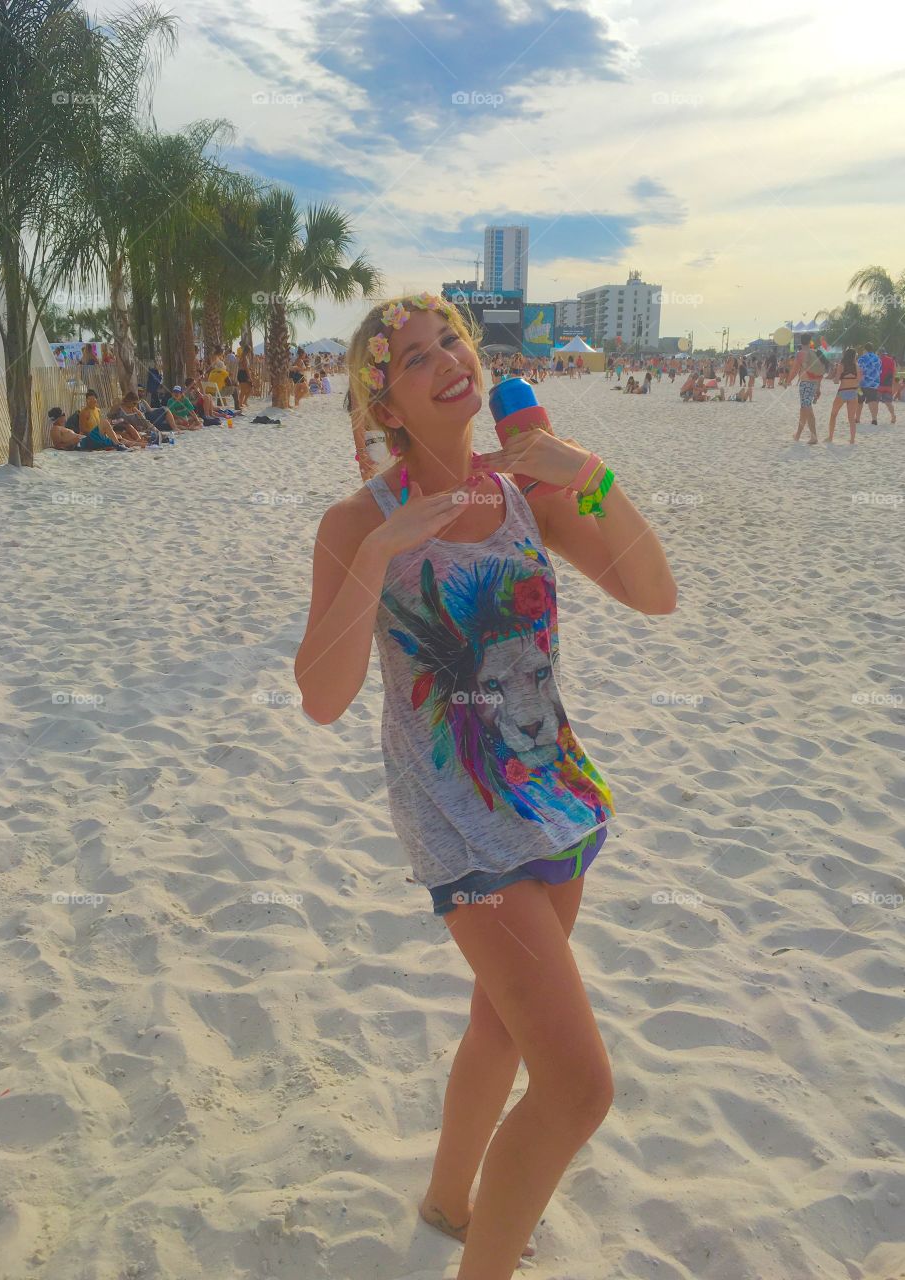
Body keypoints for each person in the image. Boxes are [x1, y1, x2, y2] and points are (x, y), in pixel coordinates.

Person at [295, 292, 676, 1279]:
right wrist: (380, 553)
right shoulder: (355, 522)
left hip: (553, 788)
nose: (447, 360)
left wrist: (588, 476)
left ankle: (448, 1199)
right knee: (579, 1088)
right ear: (387, 404)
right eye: (415, 357)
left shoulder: (526, 496)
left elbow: (653, 588)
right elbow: (324, 697)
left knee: (498, 1025)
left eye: (451, 340)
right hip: (464, 823)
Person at [787, 339, 825, 443]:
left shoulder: (801, 354)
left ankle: (814, 436)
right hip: (813, 384)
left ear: (801, 342)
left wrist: (788, 381)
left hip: (805, 384)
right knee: (804, 409)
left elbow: (795, 369)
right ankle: (798, 435)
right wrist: (818, 387)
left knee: (807, 409)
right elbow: (820, 371)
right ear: (810, 342)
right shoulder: (815, 353)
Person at [47, 405, 129, 451]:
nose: (65, 417)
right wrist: (72, 442)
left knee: (118, 437)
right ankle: (118, 445)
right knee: (104, 422)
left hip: (86, 440)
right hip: (84, 442)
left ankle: (139, 444)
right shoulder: (55, 429)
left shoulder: (60, 428)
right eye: (63, 415)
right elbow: (58, 445)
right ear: (59, 417)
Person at [826, 347, 860, 444]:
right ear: (853, 356)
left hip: (843, 392)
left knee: (833, 415)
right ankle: (852, 440)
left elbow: (836, 380)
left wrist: (835, 379)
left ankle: (830, 437)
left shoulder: (841, 365)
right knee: (851, 418)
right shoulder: (857, 366)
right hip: (853, 392)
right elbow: (859, 380)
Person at [856, 342, 881, 426]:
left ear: (865, 349)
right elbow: (880, 371)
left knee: (859, 401)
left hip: (861, 384)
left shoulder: (862, 358)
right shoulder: (878, 358)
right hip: (874, 384)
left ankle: (857, 418)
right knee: (873, 401)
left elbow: (859, 370)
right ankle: (874, 419)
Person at [877, 347, 897, 424]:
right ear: (885, 353)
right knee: (888, 402)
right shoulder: (891, 360)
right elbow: (894, 372)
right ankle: (893, 415)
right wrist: (893, 384)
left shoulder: (878, 361)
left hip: (879, 384)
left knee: (875, 401)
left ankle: (874, 418)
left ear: (879, 354)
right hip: (888, 384)